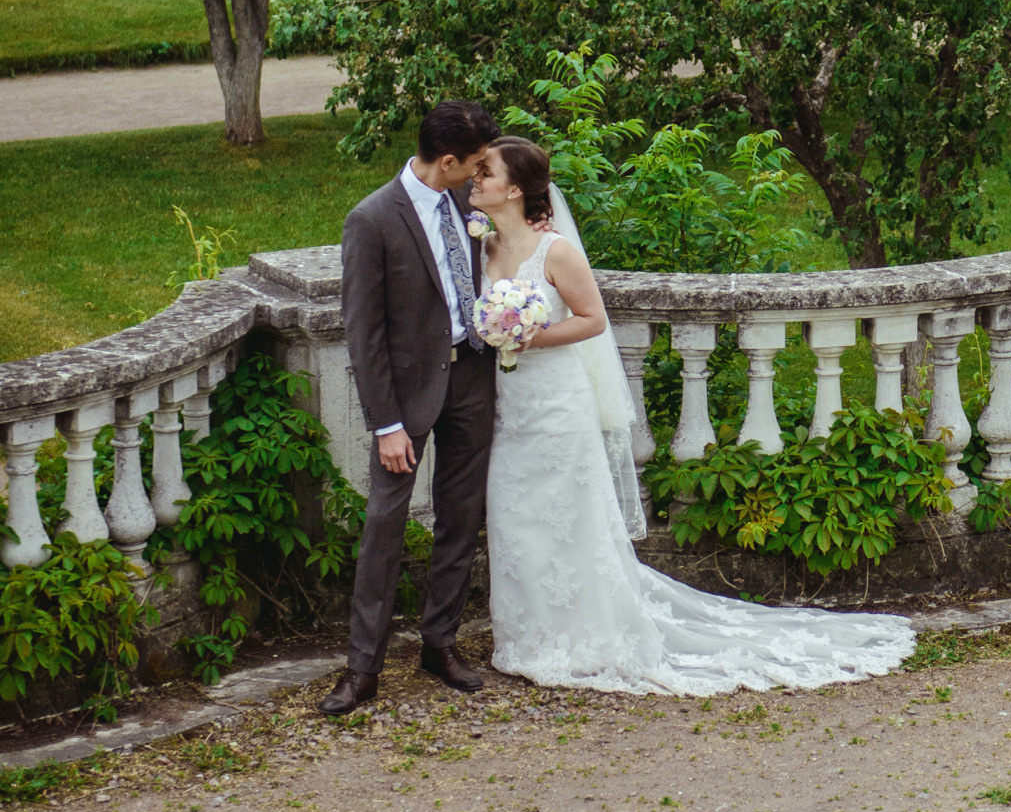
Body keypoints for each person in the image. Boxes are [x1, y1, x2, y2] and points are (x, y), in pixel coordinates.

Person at [469, 134, 914, 696]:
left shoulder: (555, 251)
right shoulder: (483, 247)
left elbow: (593, 320)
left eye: (485, 171)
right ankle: (526, 638)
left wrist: (529, 336)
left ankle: (584, 638)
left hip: (557, 403)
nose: (475, 179)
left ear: (515, 189)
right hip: (511, 407)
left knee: (567, 518)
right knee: (517, 516)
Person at [321, 99, 500, 720]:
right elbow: (363, 332)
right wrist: (386, 424)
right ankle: (362, 667)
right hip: (405, 397)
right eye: (475, 163)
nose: (480, 173)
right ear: (447, 161)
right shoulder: (371, 220)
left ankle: (439, 643)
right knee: (384, 525)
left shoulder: (469, 203)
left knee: (461, 516)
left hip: (471, 377)